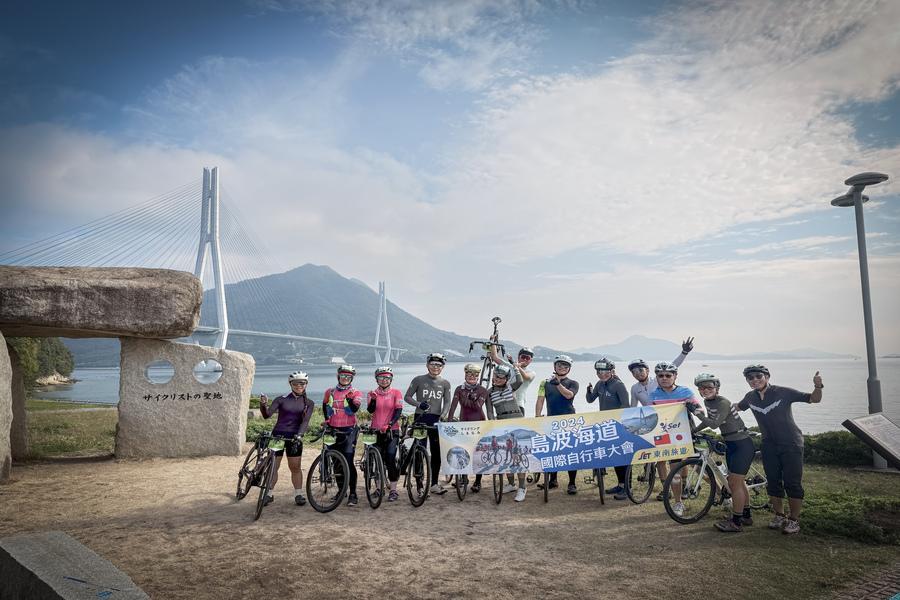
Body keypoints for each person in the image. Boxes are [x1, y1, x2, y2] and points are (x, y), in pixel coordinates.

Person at [734, 365, 823, 535]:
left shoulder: (783, 392)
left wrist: (818, 386)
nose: (755, 380)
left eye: (758, 376)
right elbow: (737, 407)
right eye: (750, 378)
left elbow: (814, 399)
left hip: (791, 443)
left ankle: (794, 520)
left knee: (792, 482)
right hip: (769, 444)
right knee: (773, 481)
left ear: (767, 376)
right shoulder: (750, 397)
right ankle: (779, 515)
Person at [691, 373, 755, 532]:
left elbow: (714, 424)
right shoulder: (708, 402)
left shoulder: (723, 402)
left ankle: (736, 522)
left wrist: (697, 413)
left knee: (734, 484)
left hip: (742, 444)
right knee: (739, 483)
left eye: (709, 387)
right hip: (731, 444)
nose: (705, 390)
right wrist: (693, 430)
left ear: (717, 388)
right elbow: (708, 420)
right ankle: (746, 516)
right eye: (702, 387)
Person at [648, 361, 703, 516]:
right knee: (675, 471)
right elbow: (650, 416)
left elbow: (699, 409)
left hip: (687, 433)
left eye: (668, 375)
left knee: (699, 467)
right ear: (657, 377)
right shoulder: (654, 395)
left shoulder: (685, 391)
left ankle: (722, 494)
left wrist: (692, 407)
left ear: (675, 376)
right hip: (668, 437)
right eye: (660, 376)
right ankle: (678, 503)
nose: (664, 378)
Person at [258, 371, 316, 507]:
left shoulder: (309, 403)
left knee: (295, 467)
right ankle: (268, 494)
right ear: (290, 384)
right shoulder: (281, 399)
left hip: (295, 437)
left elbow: (305, 421)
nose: (299, 385)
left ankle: (298, 494)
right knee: (273, 467)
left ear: (306, 384)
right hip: (278, 435)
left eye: (302, 383)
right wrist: (263, 404)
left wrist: (300, 435)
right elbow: (267, 415)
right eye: (295, 383)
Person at [404, 352, 453, 495]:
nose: (435, 367)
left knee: (436, 452)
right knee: (420, 450)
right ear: (427, 365)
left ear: (443, 367)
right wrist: (419, 404)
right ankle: (419, 485)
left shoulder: (445, 383)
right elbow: (407, 397)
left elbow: (448, 401)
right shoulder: (418, 380)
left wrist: (443, 415)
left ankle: (434, 484)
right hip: (420, 418)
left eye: (439, 365)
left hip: (436, 419)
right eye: (432, 364)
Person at [585, 358, 630, 501]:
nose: (601, 374)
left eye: (605, 371)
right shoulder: (600, 384)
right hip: (605, 426)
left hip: (618, 426)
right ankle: (621, 484)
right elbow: (590, 400)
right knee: (615, 456)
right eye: (599, 371)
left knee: (623, 457)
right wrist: (589, 391)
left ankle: (627, 488)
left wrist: (619, 422)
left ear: (611, 371)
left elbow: (626, 406)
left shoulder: (618, 385)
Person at [535, 355, 580, 495]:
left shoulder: (573, 383)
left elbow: (568, 395)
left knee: (571, 453)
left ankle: (572, 483)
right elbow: (540, 399)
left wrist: (558, 384)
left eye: (565, 366)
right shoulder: (544, 383)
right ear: (554, 366)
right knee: (552, 452)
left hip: (569, 421)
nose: (562, 368)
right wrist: (537, 416)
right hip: (551, 421)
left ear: (569, 369)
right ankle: (552, 480)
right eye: (559, 365)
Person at [448, 363, 492, 492]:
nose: (472, 376)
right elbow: (453, 406)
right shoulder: (459, 389)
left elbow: (477, 407)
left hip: (479, 422)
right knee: (463, 451)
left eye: (475, 375)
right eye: (469, 374)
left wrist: (471, 399)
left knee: (478, 453)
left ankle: (478, 482)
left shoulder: (482, 390)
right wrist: (449, 422)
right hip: (463, 423)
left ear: (478, 376)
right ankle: (463, 478)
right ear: (465, 374)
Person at [323, 364, 363, 507]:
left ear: (352, 378)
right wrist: (327, 421)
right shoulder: (330, 391)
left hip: (349, 430)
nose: (345, 378)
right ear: (338, 376)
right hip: (334, 429)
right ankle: (341, 491)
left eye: (348, 376)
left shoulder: (356, 392)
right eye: (343, 375)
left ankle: (353, 493)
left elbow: (354, 409)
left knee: (348, 459)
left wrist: (351, 400)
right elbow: (325, 406)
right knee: (336, 461)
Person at [488, 363, 528, 501]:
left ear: (506, 378)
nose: (497, 379)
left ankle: (522, 487)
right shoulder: (489, 392)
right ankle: (511, 484)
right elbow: (489, 410)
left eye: (501, 377)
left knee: (518, 455)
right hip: (501, 422)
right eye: (495, 376)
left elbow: (520, 380)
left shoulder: (511, 387)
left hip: (516, 419)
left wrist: (516, 367)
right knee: (506, 455)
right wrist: (492, 423)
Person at [366, 366, 404, 502]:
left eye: (387, 377)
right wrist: (374, 399)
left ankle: (393, 490)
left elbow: (398, 411)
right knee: (377, 460)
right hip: (376, 430)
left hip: (391, 431)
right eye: (381, 377)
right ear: (377, 379)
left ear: (391, 379)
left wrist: (390, 424)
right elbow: (370, 410)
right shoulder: (372, 393)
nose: (384, 380)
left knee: (390, 458)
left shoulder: (396, 393)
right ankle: (378, 488)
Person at [628, 337, 694, 407]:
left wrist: (684, 353)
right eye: (633, 372)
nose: (637, 373)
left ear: (647, 370)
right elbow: (633, 407)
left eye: (640, 370)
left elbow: (673, 366)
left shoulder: (657, 380)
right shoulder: (634, 388)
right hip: (650, 416)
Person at [490, 341, 536, 415]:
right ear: (518, 357)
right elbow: (495, 357)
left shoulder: (532, 372)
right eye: (523, 357)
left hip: (519, 405)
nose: (525, 360)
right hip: (504, 405)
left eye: (527, 358)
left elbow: (526, 377)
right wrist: (493, 342)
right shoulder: (510, 366)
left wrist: (516, 366)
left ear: (531, 360)